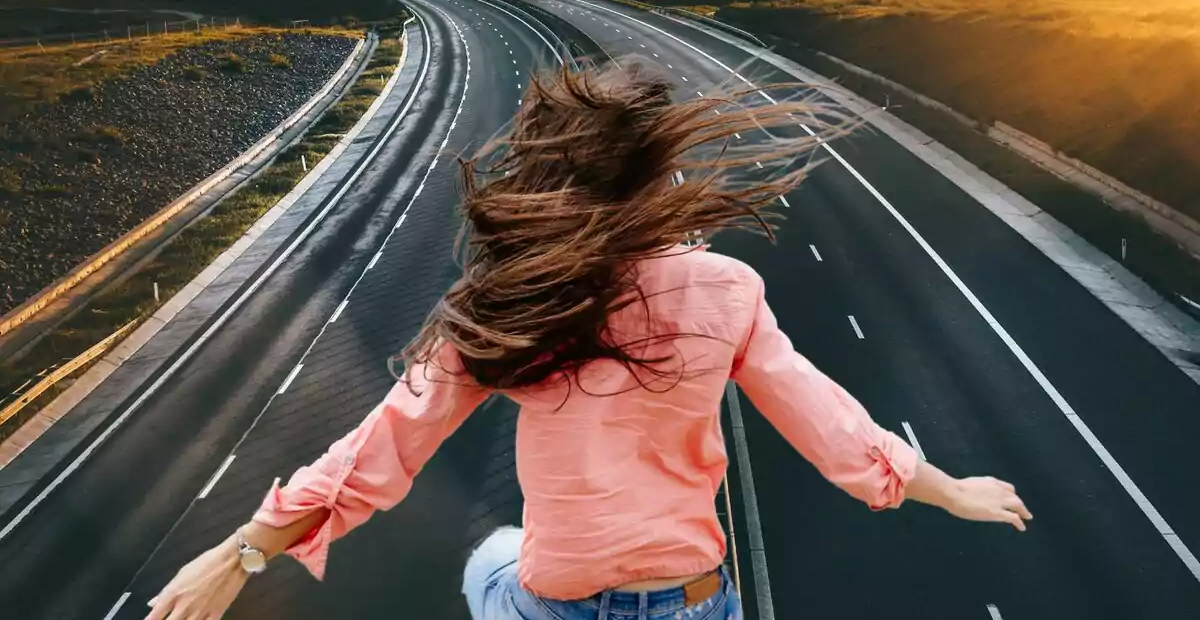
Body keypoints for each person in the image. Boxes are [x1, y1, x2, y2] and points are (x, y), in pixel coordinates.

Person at [146, 61, 1032, 620]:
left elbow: (376, 455)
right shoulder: (728, 290)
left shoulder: (511, 302)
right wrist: (949, 491)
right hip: (694, 603)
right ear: (658, 177)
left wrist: (238, 556)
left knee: (492, 560)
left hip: (555, 600)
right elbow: (833, 428)